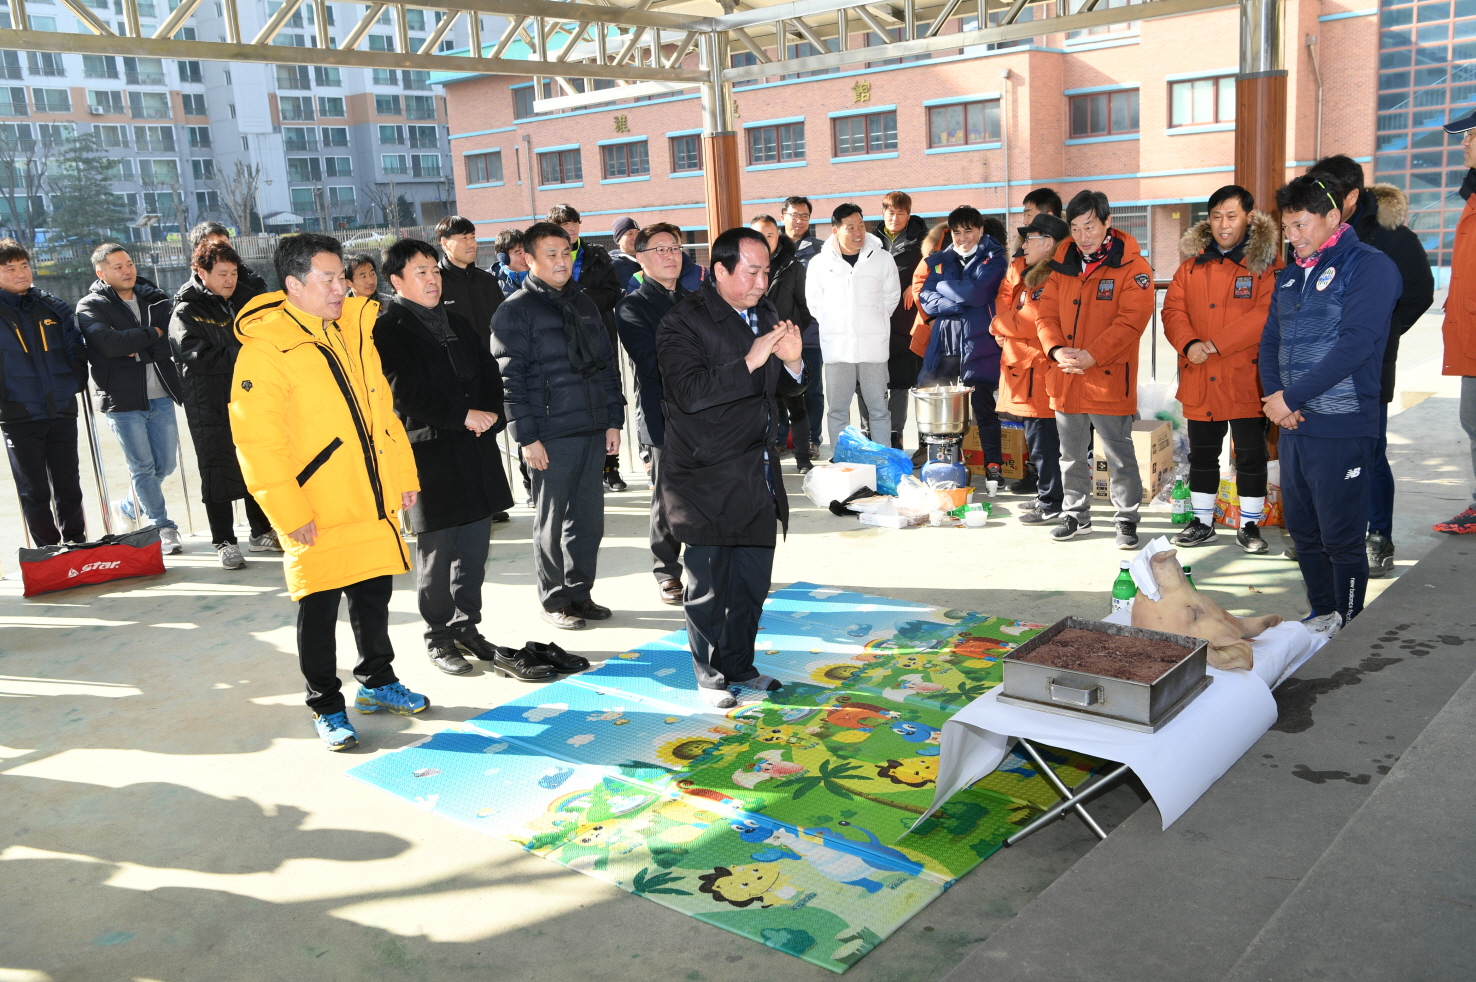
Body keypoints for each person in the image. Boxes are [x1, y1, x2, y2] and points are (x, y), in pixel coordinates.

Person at [230, 233, 425, 752]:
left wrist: (401, 475)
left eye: (343, 277)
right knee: (318, 611)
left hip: (368, 494)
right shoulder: (265, 349)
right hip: (315, 505)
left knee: (373, 597)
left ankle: (377, 681)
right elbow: (257, 442)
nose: (343, 288)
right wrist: (288, 511)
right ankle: (325, 704)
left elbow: (382, 413)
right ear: (294, 285)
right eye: (329, 279)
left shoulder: (354, 329)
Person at [374, 239, 563, 682]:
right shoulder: (388, 329)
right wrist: (462, 415)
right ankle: (438, 636)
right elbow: (403, 392)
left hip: (474, 448)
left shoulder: (455, 320)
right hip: (430, 453)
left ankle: (466, 626)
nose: (432, 279)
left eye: (434, 271)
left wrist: (490, 413)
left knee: (475, 548)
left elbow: (488, 373)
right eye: (420, 272)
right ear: (396, 280)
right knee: (438, 553)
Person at [656, 226, 806, 709]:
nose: (762, 282)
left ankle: (740, 664)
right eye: (752, 272)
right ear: (720, 271)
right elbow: (689, 392)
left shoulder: (766, 312)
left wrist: (794, 363)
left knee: (751, 583)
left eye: (766, 272)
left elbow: (783, 389)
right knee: (708, 585)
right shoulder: (682, 322)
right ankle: (708, 675)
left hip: (757, 470)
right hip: (706, 473)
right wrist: (751, 359)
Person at [1260, 174, 1402, 637]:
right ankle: (1323, 614)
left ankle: (1350, 626)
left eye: (1300, 225)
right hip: (1294, 425)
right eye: (1286, 227)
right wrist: (1277, 400)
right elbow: (1270, 341)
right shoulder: (1290, 275)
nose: (1292, 236)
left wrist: (1291, 397)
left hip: (1342, 424)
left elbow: (1357, 344)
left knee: (1341, 538)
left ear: (1332, 216)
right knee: (1303, 531)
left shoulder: (1370, 266)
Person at [491, 222, 625, 630]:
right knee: (551, 523)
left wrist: (613, 420)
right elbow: (509, 381)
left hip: (591, 428)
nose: (561, 261)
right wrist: (527, 438)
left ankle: (580, 593)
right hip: (549, 434)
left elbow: (606, 366)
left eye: (566, 253)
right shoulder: (514, 310)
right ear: (528, 259)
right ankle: (554, 601)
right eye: (551, 254)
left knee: (588, 521)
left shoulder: (583, 303)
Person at [1305, 154, 1434, 575]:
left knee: (1369, 453)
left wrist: (1382, 332)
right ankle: (1328, 536)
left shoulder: (1392, 238)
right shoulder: (1312, 233)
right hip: (1315, 369)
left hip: (1368, 370)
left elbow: (1420, 293)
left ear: (1351, 196)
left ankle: (1378, 536)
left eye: (1326, 193)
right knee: (1323, 455)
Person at [1160, 185, 1281, 555]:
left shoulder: (1266, 265)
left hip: (1246, 377)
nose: (1223, 224)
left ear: (1249, 217)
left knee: (1251, 455)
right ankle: (1202, 522)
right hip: (1200, 376)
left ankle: (1249, 525)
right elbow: (1172, 311)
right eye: (1216, 217)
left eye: (1231, 216)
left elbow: (1266, 313)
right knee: (1202, 454)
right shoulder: (1190, 267)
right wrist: (1189, 344)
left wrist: (1216, 344)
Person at [1035, 190, 1156, 548]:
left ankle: (1126, 518)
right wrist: (1055, 350)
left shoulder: (1133, 266)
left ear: (1107, 223)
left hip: (1108, 376)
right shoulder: (1062, 263)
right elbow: (1045, 315)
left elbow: (1132, 321)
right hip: (1067, 376)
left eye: (1090, 227)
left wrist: (1094, 355)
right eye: (1075, 228)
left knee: (1119, 454)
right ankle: (1076, 515)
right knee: (1071, 454)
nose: (1083, 236)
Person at [168, 241, 280, 569]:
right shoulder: (185, 310)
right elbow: (199, 357)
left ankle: (261, 532)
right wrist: (250, 353)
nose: (230, 279)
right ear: (201, 273)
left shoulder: (245, 300)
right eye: (222, 273)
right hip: (209, 402)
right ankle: (224, 541)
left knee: (255, 464)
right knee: (216, 470)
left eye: (233, 272)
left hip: (248, 397)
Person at [75, 243, 183, 554]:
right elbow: (108, 345)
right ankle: (163, 526)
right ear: (101, 273)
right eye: (118, 267)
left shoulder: (155, 298)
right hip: (121, 399)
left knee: (165, 464)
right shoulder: (90, 305)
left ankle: (126, 507)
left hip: (161, 394)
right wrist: (152, 334)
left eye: (130, 264)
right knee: (142, 467)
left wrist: (134, 346)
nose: (127, 271)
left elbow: (173, 340)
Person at [616, 222, 692, 607]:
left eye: (674, 248)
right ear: (641, 259)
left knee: (705, 491)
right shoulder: (632, 306)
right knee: (667, 497)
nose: (670, 255)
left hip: (706, 411)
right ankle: (667, 571)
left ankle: (705, 564)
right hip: (663, 413)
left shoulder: (697, 299)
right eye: (660, 249)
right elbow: (651, 361)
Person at [0, 238, 88, 546]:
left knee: (69, 485)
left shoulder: (53, 306)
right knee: (34, 490)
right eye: (10, 268)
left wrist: (74, 383)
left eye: (24, 266)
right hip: (19, 415)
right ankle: (48, 551)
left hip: (61, 409)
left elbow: (76, 347)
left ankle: (76, 543)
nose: (20, 273)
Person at [919, 206, 1010, 481]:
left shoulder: (995, 257)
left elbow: (978, 294)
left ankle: (993, 466)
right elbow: (926, 298)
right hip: (947, 343)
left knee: (984, 409)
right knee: (945, 411)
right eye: (957, 232)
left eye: (968, 231)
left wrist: (944, 287)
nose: (962, 238)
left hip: (980, 344)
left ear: (981, 230)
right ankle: (947, 467)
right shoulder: (943, 259)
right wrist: (956, 304)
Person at [992, 211, 1070, 525]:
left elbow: (1028, 321)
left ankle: (1051, 502)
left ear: (1049, 243)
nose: (1023, 244)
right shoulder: (1034, 272)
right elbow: (1011, 306)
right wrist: (1005, 325)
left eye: (1030, 239)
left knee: (1045, 443)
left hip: (1039, 373)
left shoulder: (1050, 277)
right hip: (1029, 371)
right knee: (1039, 441)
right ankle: (1045, 495)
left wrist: (997, 325)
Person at [807, 203, 901, 450]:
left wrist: (875, 319)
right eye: (850, 227)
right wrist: (836, 325)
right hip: (837, 349)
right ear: (835, 230)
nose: (858, 232)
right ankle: (842, 461)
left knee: (878, 409)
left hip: (873, 348)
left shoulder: (882, 258)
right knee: (837, 410)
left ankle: (882, 459)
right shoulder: (819, 263)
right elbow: (814, 303)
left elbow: (891, 297)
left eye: (861, 225)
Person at [547, 204, 627, 492]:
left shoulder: (596, 255)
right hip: (562, 339)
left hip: (598, 333)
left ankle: (610, 466)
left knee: (607, 395)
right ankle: (580, 467)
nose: (570, 228)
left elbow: (612, 293)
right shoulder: (548, 257)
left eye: (574, 223)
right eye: (563, 224)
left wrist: (578, 297)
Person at [1437, 109, 1476, 535]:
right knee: (1473, 421)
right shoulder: (1473, 195)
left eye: (1471, 135)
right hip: (1469, 337)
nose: (1463, 142)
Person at [751, 214, 813, 472]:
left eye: (770, 234)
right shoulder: (745, 266)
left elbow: (805, 308)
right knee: (761, 405)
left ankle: (803, 457)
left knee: (796, 404)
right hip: (755, 347)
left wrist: (789, 334)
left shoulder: (792, 267)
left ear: (778, 236)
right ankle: (769, 452)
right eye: (758, 235)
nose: (765, 240)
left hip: (785, 345)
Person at [876, 192, 929, 450]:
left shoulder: (923, 242)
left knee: (901, 383)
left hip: (906, 323)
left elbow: (933, 272)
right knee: (872, 384)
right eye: (890, 212)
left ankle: (896, 436)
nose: (895, 218)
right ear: (883, 213)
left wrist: (914, 286)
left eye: (900, 213)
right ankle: (874, 436)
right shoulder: (871, 241)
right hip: (876, 323)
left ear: (908, 215)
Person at [783, 195, 825, 447]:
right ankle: (779, 439)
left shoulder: (821, 249)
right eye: (794, 215)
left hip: (811, 333)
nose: (799, 220)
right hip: (777, 332)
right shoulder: (771, 247)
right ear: (783, 217)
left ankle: (812, 439)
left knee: (812, 390)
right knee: (778, 390)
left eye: (805, 216)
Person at [435, 214, 504, 350]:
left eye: (473, 237)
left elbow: (504, 323)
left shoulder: (488, 281)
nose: (471, 243)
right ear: (445, 243)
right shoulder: (435, 283)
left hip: (492, 359)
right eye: (464, 238)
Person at [189, 221, 269, 312]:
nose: (224, 250)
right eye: (216, 246)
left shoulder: (253, 283)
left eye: (226, 244)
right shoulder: (190, 302)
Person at [490, 229, 530, 298]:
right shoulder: (489, 281)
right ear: (503, 257)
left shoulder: (542, 275)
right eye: (519, 253)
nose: (526, 257)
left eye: (527, 251)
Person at [609, 216, 641, 292]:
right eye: (630, 233)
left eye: (638, 233)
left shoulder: (648, 259)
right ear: (618, 239)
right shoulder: (612, 264)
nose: (635, 237)